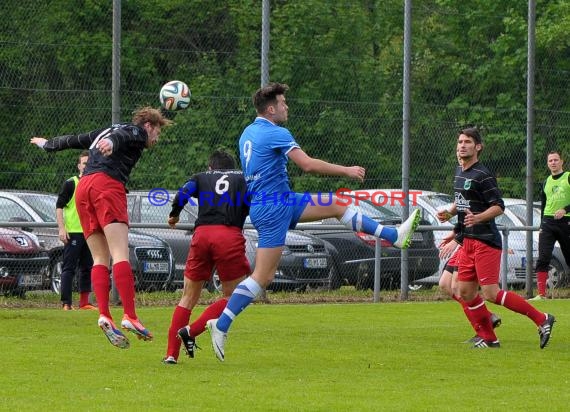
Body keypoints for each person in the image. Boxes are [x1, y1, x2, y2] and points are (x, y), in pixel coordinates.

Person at [206, 82, 421, 361]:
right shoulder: (276, 132)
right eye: (283, 103)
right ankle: (221, 325)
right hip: (274, 208)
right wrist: (346, 170)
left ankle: (391, 235)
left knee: (336, 204)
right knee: (263, 277)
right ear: (271, 110)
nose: (287, 107)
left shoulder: (248, 132)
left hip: (281, 201)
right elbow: (306, 164)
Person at [31, 106, 172, 349]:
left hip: (83, 188)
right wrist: (111, 142)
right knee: (120, 254)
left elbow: (74, 139)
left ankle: (105, 315)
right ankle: (130, 316)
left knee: (99, 258)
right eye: (157, 132)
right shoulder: (136, 131)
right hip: (107, 186)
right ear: (149, 125)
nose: (156, 139)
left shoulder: (106, 130)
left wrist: (48, 144)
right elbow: (124, 136)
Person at [438, 127, 554, 349]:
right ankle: (490, 338)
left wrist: (479, 218)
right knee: (464, 292)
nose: (462, 145)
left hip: (485, 241)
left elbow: (498, 207)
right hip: (468, 242)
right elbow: (463, 204)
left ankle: (542, 318)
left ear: (478, 147)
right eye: (460, 141)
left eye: (468, 142)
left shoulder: (483, 175)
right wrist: (451, 214)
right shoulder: (460, 172)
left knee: (490, 292)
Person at [162, 150, 251, 365]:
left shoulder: (201, 177)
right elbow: (253, 203)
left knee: (188, 297)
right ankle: (191, 332)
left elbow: (183, 192)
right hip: (228, 235)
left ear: (211, 168)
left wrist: (175, 213)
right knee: (234, 296)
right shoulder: (243, 179)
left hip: (202, 235)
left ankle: (171, 354)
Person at [438, 230, 501, 342]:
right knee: (444, 284)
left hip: (471, 243)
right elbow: (462, 219)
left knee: (458, 288)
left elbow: (472, 222)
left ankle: (482, 332)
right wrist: (454, 233)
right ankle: (487, 316)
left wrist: (455, 240)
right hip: (463, 244)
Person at [56, 150, 95, 311]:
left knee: (87, 267)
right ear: (79, 165)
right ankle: (66, 303)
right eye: (84, 163)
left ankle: (84, 302)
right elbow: (59, 206)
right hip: (73, 232)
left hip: (90, 232)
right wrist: (61, 228)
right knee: (69, 267)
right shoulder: (71, 183)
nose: (86, 166)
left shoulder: (94, 183)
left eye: (89, 163)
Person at [531, 151, 570, 300]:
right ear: (547, 164)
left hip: (566, 221)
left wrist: (565, 209)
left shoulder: (568, 177)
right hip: (548, 222)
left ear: (561, 162)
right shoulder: (546, 181)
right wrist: (541, 224)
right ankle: (541, 294)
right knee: (543, 257)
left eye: (555, 160)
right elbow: (544, 204)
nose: (553, 163)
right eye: (550, 161)